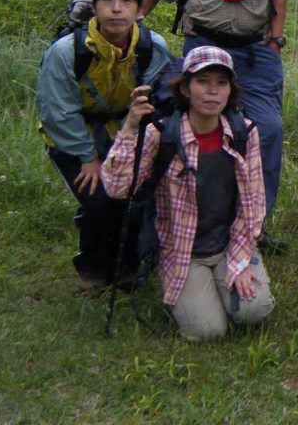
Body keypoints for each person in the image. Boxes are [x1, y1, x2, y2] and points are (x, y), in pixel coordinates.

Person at [142, 0, 298, 254]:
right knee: (200, 134)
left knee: (267, 130)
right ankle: (195, 225)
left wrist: (276, 39)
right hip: (203, 48)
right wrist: (128, 23)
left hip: (255, 51)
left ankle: (253, 228)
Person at [101, 46, 275, 341]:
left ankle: (225, 282)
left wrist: (242, 261)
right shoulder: (162, 134)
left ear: (230, 90)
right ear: (185, 88)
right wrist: (129, 127)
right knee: (208, 331)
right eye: (202, 81)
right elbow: (118, 188)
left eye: (221, 83)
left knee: (253, 311)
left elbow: (253, 203)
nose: (212, 91)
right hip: (183, 251)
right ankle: (189, 289)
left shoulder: (244, 133)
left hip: (229, 244)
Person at [37, 0, 171, 291]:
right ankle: (93, 270)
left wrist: (132, 143)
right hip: (75, 134)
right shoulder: (67, 51)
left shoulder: (152, 48)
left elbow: (155, 99)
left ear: (139, 9)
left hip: (126, 129)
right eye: (107, 0)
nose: (116, 9)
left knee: (133, 193)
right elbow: (58, 111)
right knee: (98, 197)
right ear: (95, 6)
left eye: (126, 1)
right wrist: (88, 157)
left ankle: (126, 268)